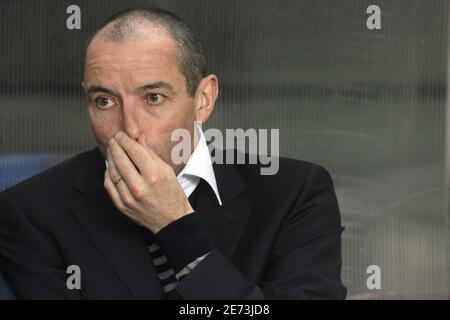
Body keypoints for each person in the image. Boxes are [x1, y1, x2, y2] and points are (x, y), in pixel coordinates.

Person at [0, 7, 346, 299]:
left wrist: (174, 227)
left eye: (153, 98)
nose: (129, 129)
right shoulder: (32, 212)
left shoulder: (294, 191)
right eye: (104, 101)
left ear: (203, 99)